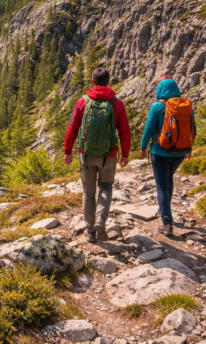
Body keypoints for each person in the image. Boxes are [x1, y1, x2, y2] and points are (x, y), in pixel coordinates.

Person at [64, 67, 131, 243]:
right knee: (106, 187)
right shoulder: (117, 104)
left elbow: (72, 128)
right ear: (109, 82)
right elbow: (124, 131)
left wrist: (67, 151)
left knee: (88, 191)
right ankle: (101, 218)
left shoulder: (82, 102)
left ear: (93, 82)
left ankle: (90, 231)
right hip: (108, 155)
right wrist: (125, 153)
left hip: (85, 155)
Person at [140, 75, 195, 236]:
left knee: (161, 186)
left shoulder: (157, 106)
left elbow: (148, 129)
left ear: (160, 89)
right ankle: (166, 210)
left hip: (159, 152)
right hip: (180, 152)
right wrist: (188, 148)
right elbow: (192, 129)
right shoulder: (185, 105)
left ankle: (167, 223)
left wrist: (143, 147)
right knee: (169, 178)